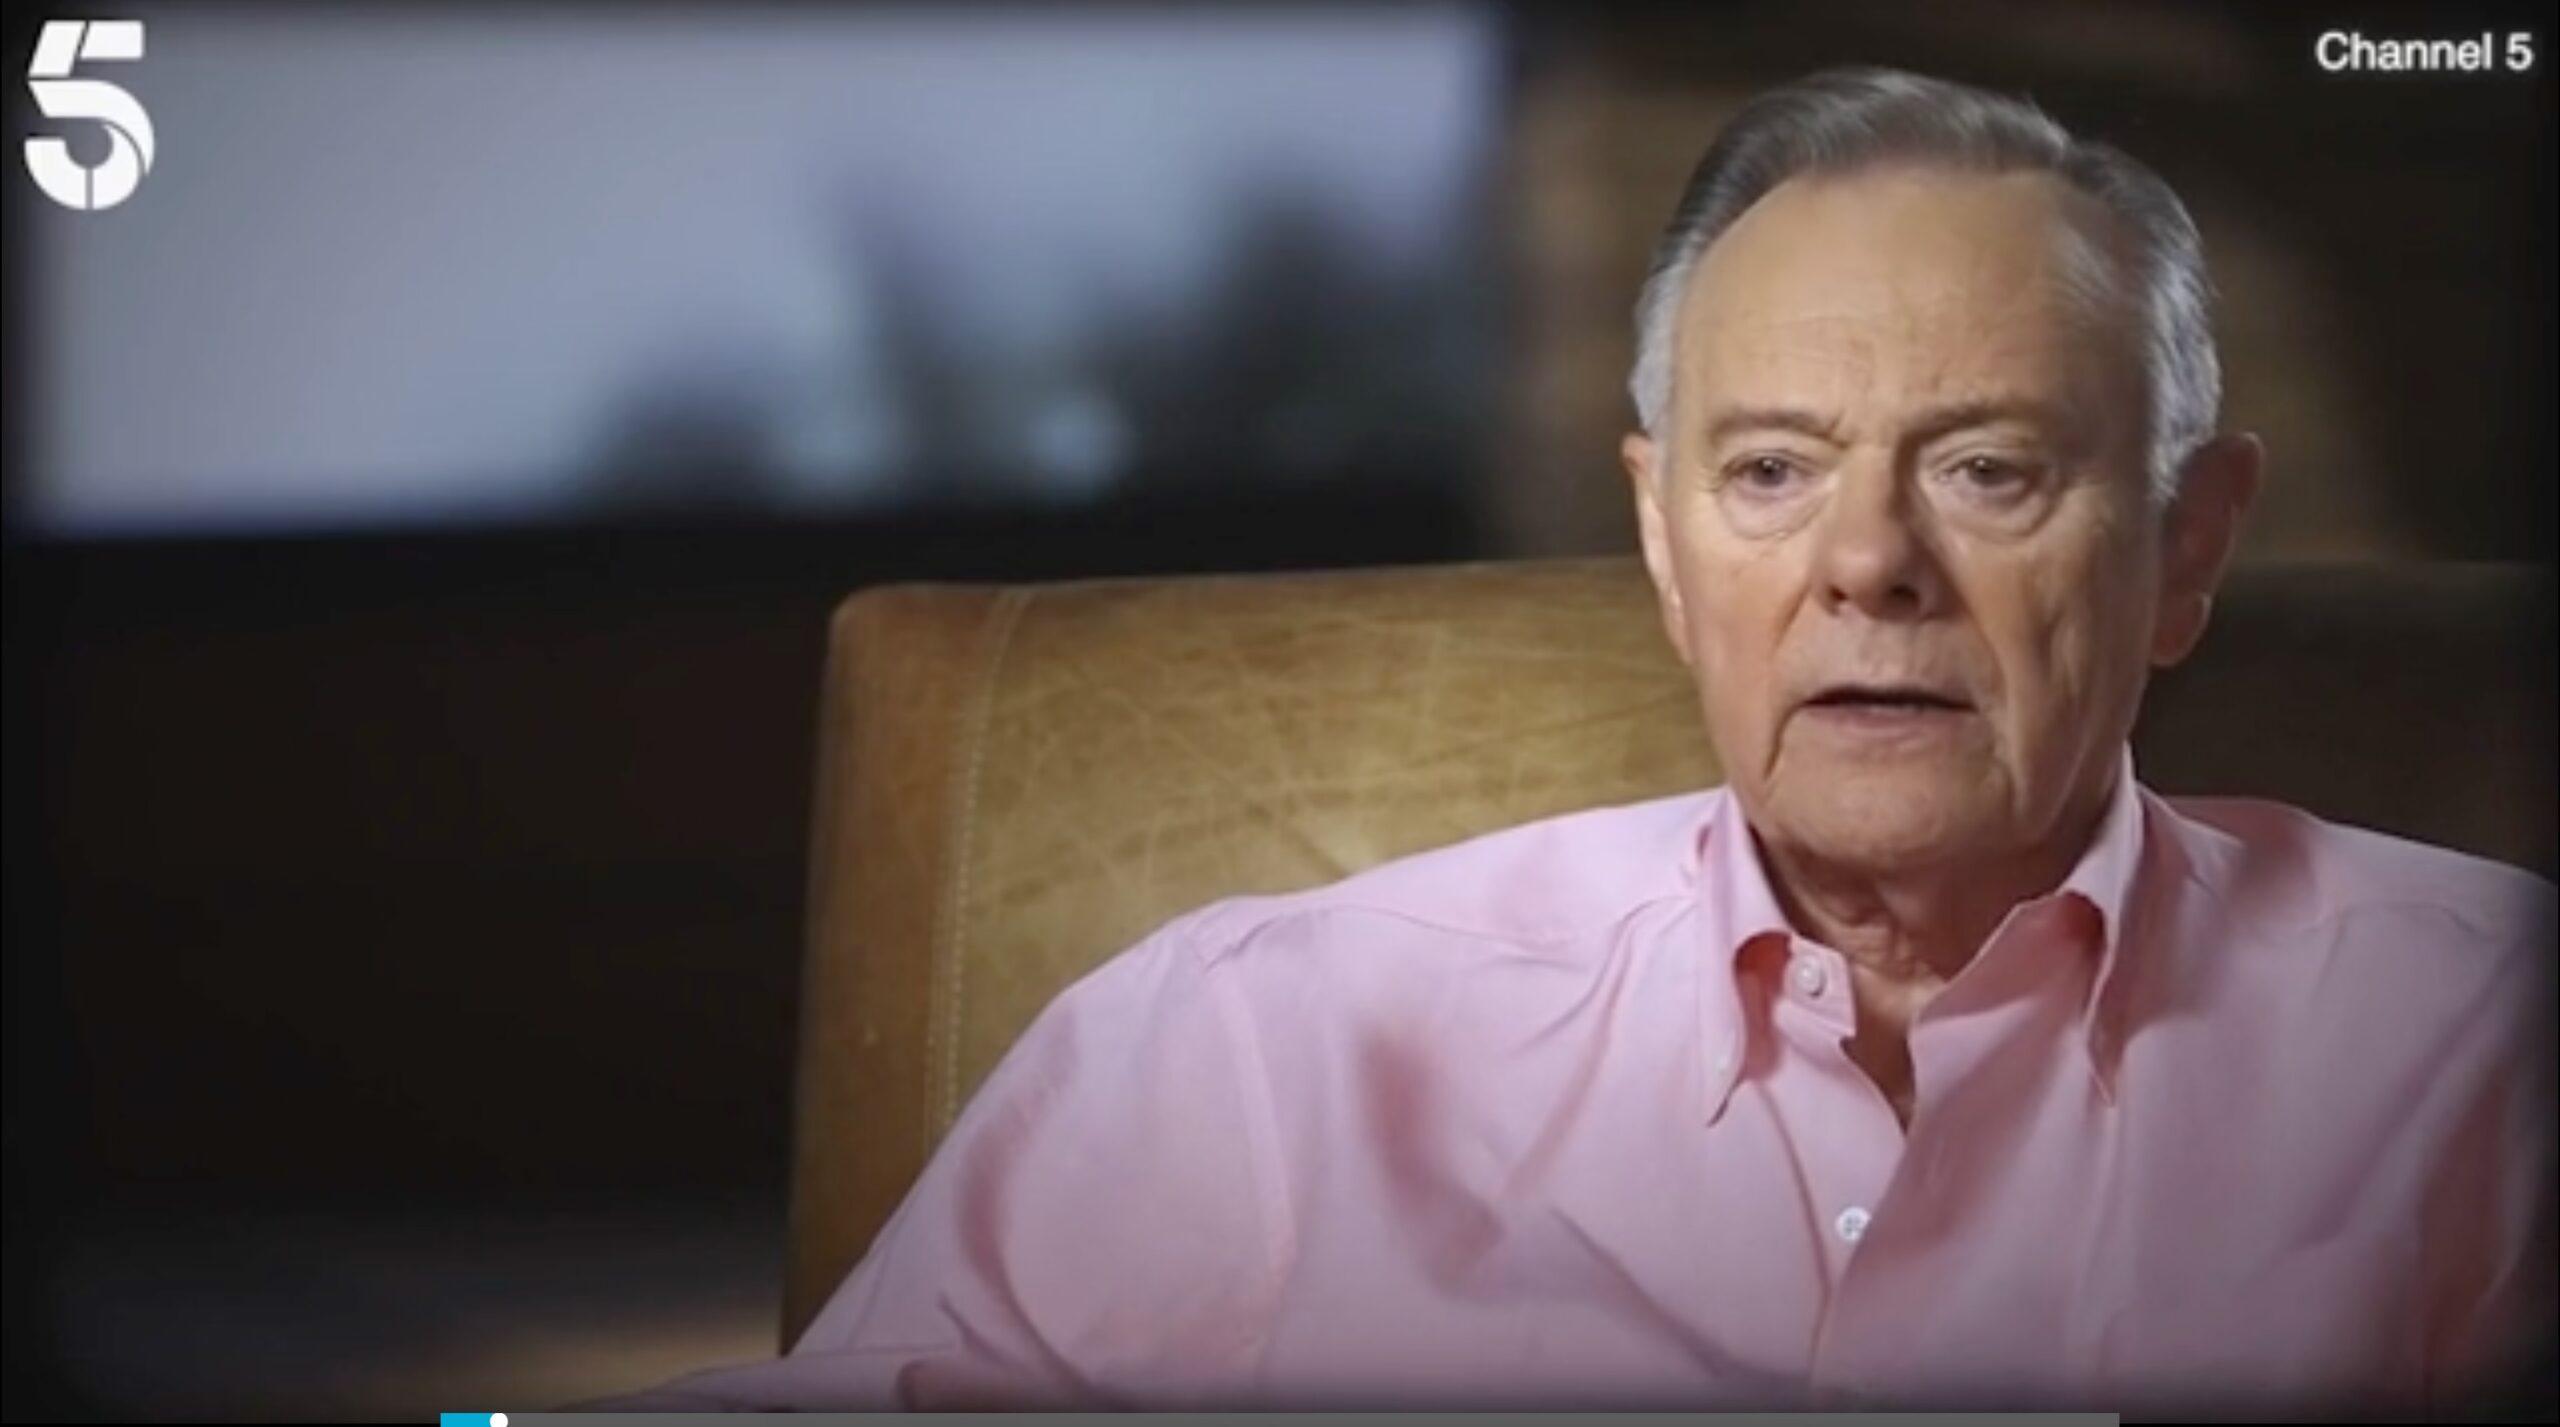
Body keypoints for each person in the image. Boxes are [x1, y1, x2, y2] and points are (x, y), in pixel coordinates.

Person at [587, 67, 2554, 1416]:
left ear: (2186, 544)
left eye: (1987, 467)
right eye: (1769, 472)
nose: (1867, 564)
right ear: (1663, 543)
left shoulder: (2479, 1041)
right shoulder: (1259, 1046)